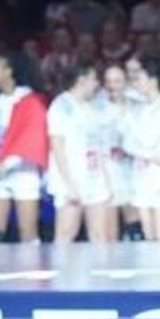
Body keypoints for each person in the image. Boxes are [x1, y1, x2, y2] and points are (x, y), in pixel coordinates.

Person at [0, 51, 48, 243]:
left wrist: (7, 163)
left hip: (24, 172)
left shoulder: (30, 101)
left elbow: (32, 139)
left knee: (28, 234)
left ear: (8, 71)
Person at [47, 61, 111, 244]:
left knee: (99, 234)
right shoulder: (61, 106)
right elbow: (58, 148)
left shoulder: (94, 106)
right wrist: (69, 184)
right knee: (66, 233)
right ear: (82, 80)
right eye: (94, 79)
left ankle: (100, 264)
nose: (97, 84)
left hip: (94, 177)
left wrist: (106, 181)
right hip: (72, 177)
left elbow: (99, 145)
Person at [123, 56, 160, 242]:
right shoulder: (138, 109)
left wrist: (140, 147)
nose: (136, 84)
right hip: (142, 175)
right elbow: (127, 143)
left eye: (139, 79)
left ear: (153, 80)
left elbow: (147, 139)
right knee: (148, 235)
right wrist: (150, 155)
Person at [96, 62, 140, 240]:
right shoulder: (97, 107)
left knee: (135, 220)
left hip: (134, 168)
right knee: (110, 228)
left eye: (117, 81)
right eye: (109, 81)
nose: (112, 86)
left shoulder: (137, 105)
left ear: (126, 82)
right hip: (108, 168)